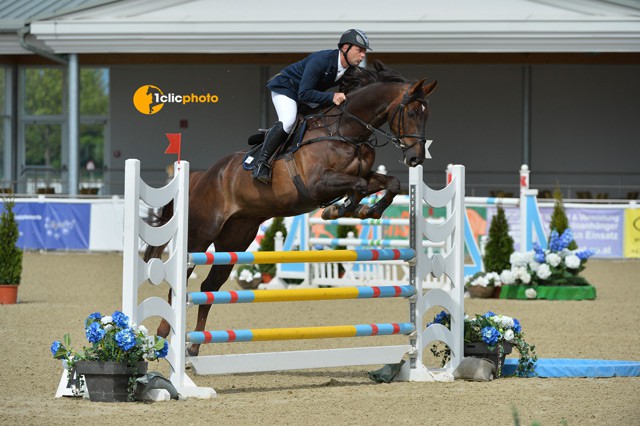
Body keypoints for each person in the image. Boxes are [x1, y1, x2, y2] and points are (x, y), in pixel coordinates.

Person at [251, 28, 372, 184]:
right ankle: (261, 164)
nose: (363, 55)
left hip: (307, 94)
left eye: (364, 52)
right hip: (287, 89)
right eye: (359, 50)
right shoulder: (321, 60)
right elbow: (304, 94)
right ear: (345, 48)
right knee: (288, 120)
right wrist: (331, 96)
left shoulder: (350, 70)